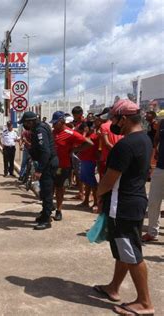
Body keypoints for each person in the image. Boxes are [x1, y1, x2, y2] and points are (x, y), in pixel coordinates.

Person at [94, 99, 154, 315]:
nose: (112, 122)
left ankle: (145, 303)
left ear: (125, 119)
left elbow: (110, 179)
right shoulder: (144, 139)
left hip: (123, 206)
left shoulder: (125, 144)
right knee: (123, 249)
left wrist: (99, 196)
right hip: (134, 201)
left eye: (114, 118)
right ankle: (113, 287)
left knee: (131, 253)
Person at [50, 111, 93, 221]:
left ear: (62, 121)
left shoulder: (71, 133)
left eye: (55, 123)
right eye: (53, 123)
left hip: (63, 166)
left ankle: (58, 210)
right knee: (49, 188)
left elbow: (89, 143)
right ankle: (48, 207)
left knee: (60, 189)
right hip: (51, 166)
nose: (54, 125)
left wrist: (75, 150)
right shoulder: (52, 132)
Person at [20, 111, 58, 230]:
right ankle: (44, 214)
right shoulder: (40, 127)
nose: (24, 125)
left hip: (47, 164)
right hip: (47, 163)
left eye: (25, 123)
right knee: (44, 191)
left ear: (31, 121)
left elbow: (45, 152)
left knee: (47, 192)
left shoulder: (39, 130)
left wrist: (39, 170)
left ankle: (47, 220)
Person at [141, 110, 164, 242]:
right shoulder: (161, 125)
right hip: (160, 168)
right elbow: (156, 140)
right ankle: (152, 232)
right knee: (154, 201)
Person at [77, 121, 99, 212]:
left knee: (92, 182)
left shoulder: (93, 136)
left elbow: (82, 142)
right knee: (87, 182)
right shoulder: (89, 136)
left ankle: (96, 202)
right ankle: (86, 200)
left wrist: (85, 133)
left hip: (90, 160)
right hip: (85, 160)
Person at [96, 107, 123, 178]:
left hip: (107, 157)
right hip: (119, 157)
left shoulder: (103, 126)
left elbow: (107, 143)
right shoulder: (120, 126)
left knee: (104, 180)